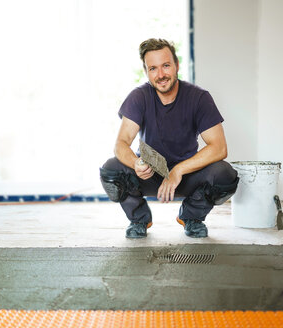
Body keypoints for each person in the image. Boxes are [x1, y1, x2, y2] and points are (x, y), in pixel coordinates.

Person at [100, 38, 238, 239]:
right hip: (149, 174)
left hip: (187, 176)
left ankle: (191, 216)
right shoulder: (138, 97)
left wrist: (179, 170)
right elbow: (120, 144)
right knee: (111, 170)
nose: (161, 74)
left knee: (225, 174)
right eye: (153, 68)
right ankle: (139, 219)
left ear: (177, 65)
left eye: (166, 66)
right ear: (147, 72)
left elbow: (219, 148)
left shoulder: (199, 98)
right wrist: (136, 163)